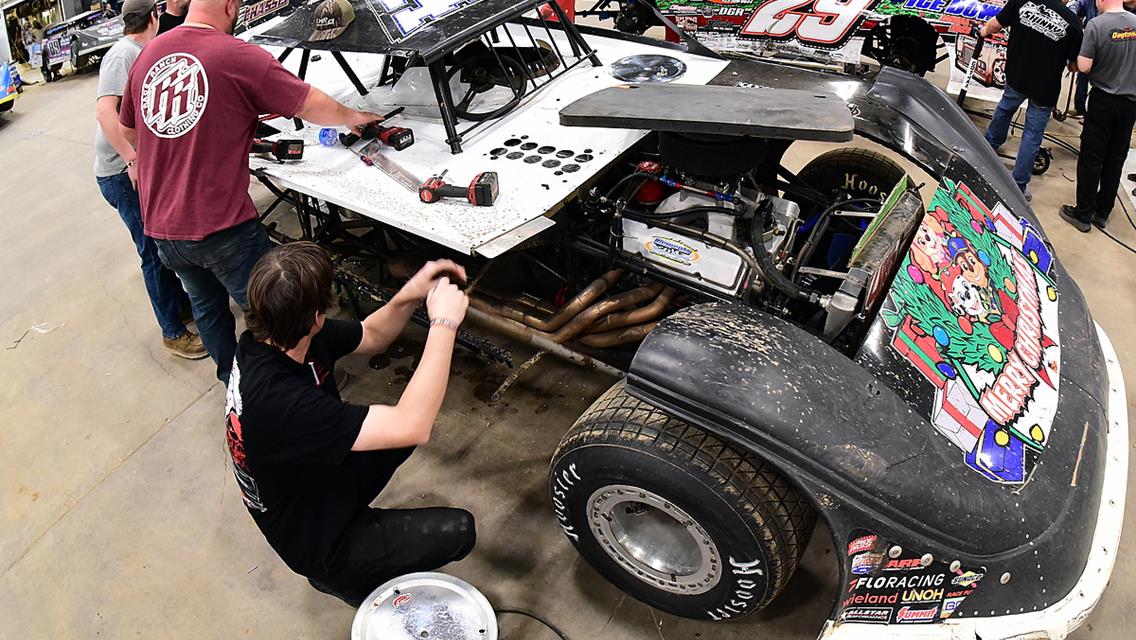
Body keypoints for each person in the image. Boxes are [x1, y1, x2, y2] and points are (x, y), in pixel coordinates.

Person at [118, 0, 383, 383]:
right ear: (229, 5)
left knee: (207, 309)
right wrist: (354, 117)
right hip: (219, 225)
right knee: (275, 313)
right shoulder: (235, 54)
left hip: (162, 226)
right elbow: (308, 103)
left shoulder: (150, 54)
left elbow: (128, 132)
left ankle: (235, 385)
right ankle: (305, 385)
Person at [226, 243, 475, 606]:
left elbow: (371, 335)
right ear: (316, 316)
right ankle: (346, 581)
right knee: (459, 530)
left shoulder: (280, 333)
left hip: (313, 477)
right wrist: (444, 323)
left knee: (393, 435)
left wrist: (412, 293)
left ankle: (356, 548)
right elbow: (415, 425)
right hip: (313, 537)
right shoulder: (277, 399)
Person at [94, 0, 205, 359]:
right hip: (118, 173)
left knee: (161, 244)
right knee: (153, 253)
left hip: (131, 169)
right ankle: (172, 332)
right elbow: (104, 111)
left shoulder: (143, 50)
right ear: (154, 16)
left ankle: (180, 307)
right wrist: (132, 159)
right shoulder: (123, 55)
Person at [979, 0, 1082, 201]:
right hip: (1045, 88)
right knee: (1032, 135)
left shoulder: (1022, 0)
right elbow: (1074, 65)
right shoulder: (1072, 21)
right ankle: (1018, 185)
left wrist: (983, 32)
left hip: (1017, 76)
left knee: (1005, 109)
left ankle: (988, 148)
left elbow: (996, 23)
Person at [1060, 0, 1136, 232]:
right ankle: (1102, 212)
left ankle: (1083, 214)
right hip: (1130, 103)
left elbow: (1083, 66)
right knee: (1116, 157)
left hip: (1104, 99)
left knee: (1092, 156)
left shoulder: (1097, 25)